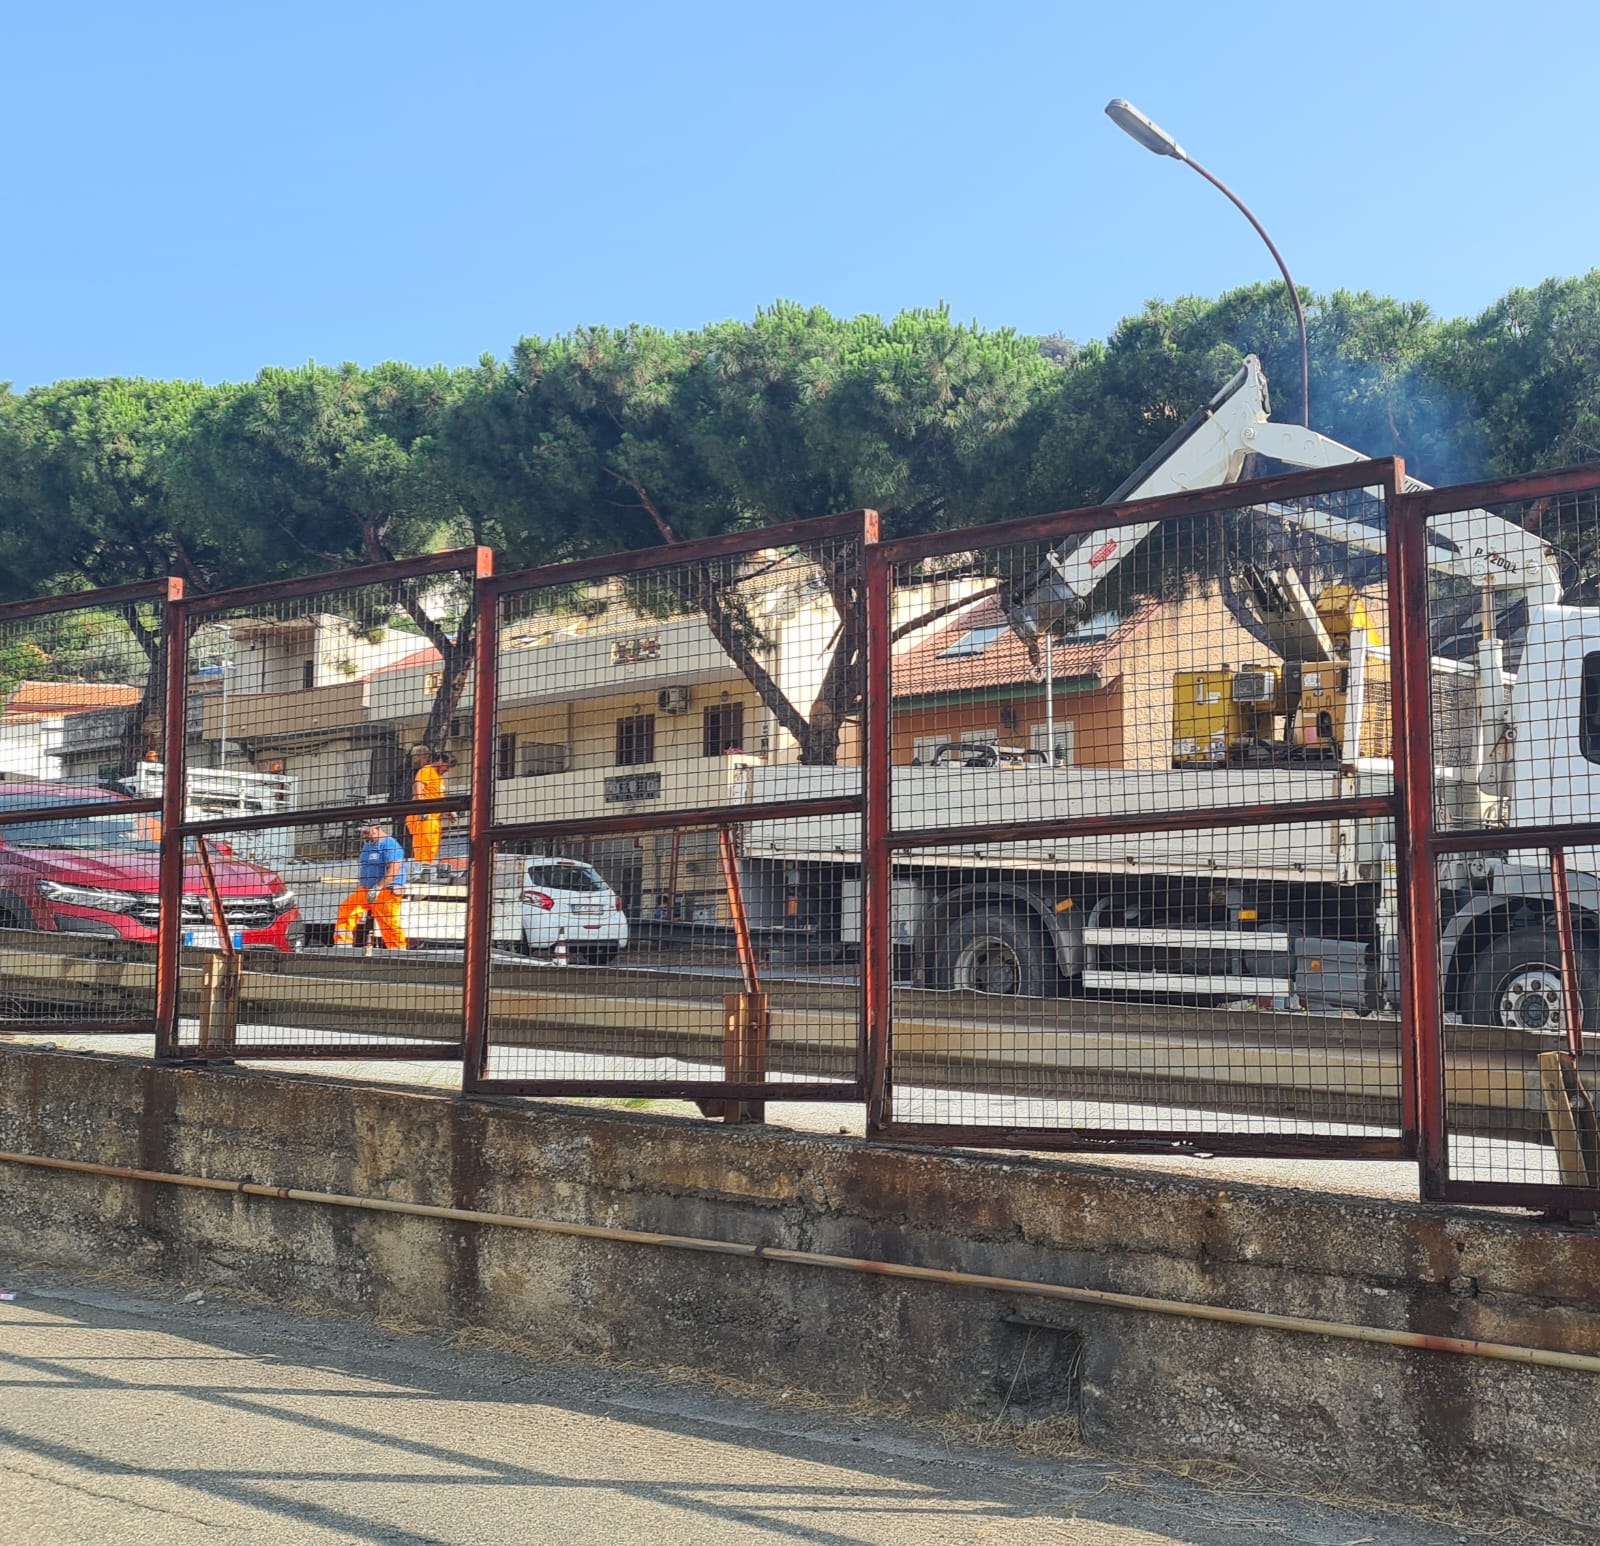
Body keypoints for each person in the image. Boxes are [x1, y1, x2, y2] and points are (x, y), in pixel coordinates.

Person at [334, 820, 408, 950]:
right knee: (347, 909)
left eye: (366, 832)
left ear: (376, 828)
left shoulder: (391, 845)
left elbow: (393, 870)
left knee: (388, 922)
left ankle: (398, 950)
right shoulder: (368, 845)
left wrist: (378, 888)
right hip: (366, 889)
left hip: (386, 890)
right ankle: (342, 944)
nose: (363, 835)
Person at [405, 745, 445, 881]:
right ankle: (419, 872)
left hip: (434, 817)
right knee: (423, 843)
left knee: (431, 845)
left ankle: (425, 871)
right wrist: (421, 808)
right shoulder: (425, 771)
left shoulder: (437, 776)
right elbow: (418, 787)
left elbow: (438, 796)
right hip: (425, 815)